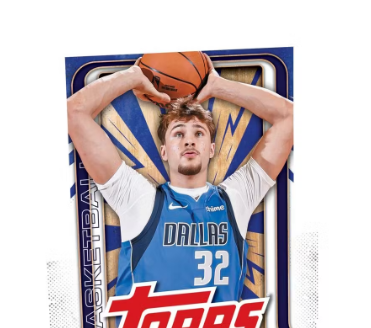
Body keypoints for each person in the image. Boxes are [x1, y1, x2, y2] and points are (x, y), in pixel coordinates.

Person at [67, 54, 293, 300]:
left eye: (199, 133)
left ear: (211, 149)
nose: (189, 140)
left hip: (219, 327)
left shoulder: (237, 198)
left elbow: (291, 117)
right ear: (163, 151)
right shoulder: (137, 198)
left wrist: (219, 86)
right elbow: (74, 112)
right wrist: (133, 76)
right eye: (178, 133)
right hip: (149, 327)